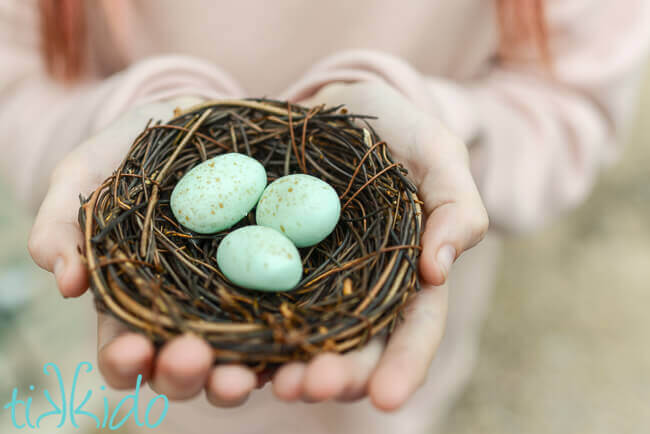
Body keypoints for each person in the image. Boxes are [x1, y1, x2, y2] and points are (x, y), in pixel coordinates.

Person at [1, 1, 648, 433]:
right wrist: (129, 120)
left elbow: (572, 101)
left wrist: (441, 137)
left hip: (379, 323)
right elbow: (16, 75)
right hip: (153, 325)